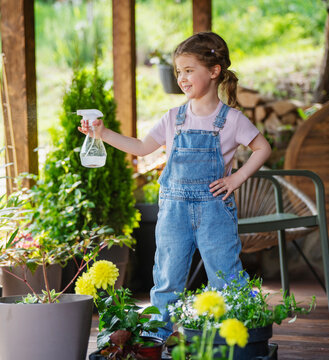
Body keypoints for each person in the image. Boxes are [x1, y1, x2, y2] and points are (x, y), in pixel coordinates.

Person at [78, 32, 272, 339]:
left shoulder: (231, 120)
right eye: (178, 72)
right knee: (167, 276)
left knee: (226, 276)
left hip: (214, 211)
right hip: (173, 211)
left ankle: (239, 335)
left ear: (214, 71)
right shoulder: (174, 118)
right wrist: (103, 133)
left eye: (188, 70)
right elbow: (142, 147)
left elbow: (263, 148)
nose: (181, 78)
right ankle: (157, 335)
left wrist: (236, 178)